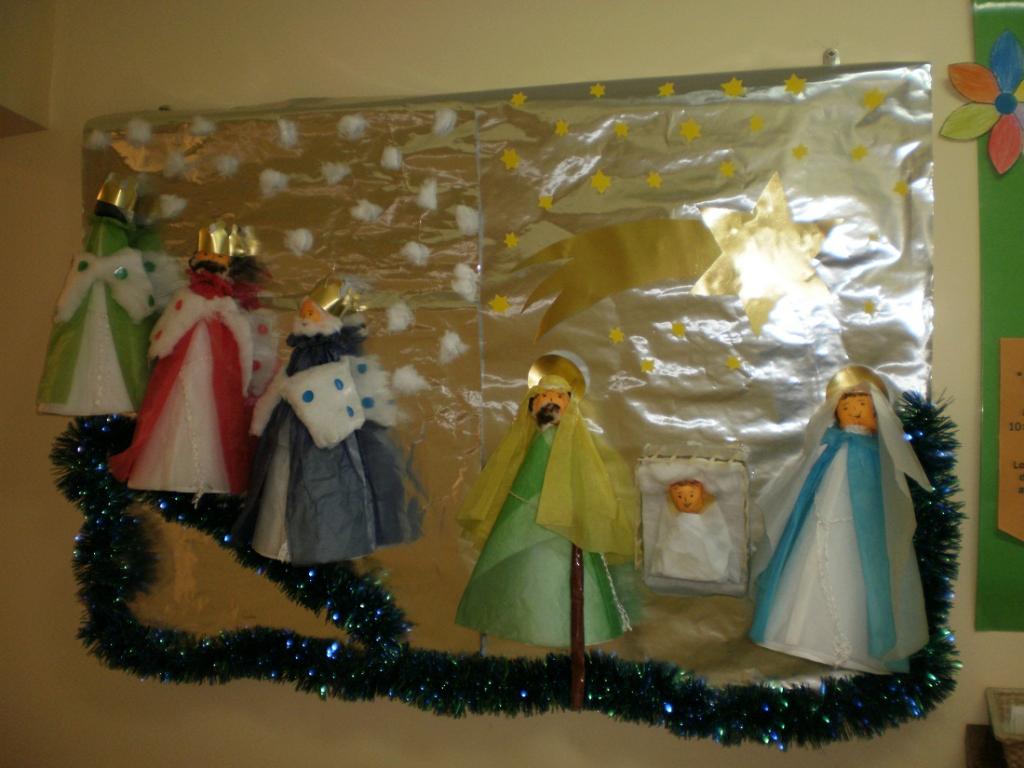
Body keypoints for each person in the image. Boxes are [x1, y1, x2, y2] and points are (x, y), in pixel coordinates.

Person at [749, 365, 933, 674]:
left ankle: (861, 643)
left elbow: (885, 492)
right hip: (824, 510)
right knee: (812, 549)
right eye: (847, 405)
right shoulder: (831, 446)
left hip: (862, 517)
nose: (854, 410)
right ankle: (795, 631)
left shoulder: (876, 454)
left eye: (862, 404)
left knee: (861, 559)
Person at [231, 276, 420, 564]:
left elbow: (345, 387)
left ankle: (327, 539)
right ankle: (280, 541)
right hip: (290, 431)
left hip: (328, 442)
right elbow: (279, 385)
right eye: (304, 312)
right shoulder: (298, 358)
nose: (306, 317)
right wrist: (262, 418)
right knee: (284, 480)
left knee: (325, 486)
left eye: (312, 313)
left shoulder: (335, 356)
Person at [455, 356, 638, 647]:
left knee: (565, 573)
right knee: (527, 571)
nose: (550, 402)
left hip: (567, 523)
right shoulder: (527, 444)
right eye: (544, 396)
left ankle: (564, 624)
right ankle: (526, 615)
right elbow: (509, 470)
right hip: (525, 514)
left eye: (558, 397)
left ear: (569, 404)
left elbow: (587, 477)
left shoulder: (575, 444)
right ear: (532, 404)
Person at [109, 221, 263, 494]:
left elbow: (241, 336)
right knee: (176, 403)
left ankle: (209, 473)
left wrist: (243, 369)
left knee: (212, 407)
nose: (209, 260)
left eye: (216, 256)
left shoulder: (225, 304)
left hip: (217, 365)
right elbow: (170, 324)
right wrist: (161, 346)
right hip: (182, 362)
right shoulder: (188, 297)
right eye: (206, 255)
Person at [38, 175, 161, 416]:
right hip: (89, 324)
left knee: (120, 359)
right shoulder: (86, 264)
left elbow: (138, 304)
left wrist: (110, 271)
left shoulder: (126, 262)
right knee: (84, 357)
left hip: (118, 327)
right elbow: (67, 307)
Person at [650, 479, 731, 583]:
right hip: (681, 528)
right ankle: (676, 568)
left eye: (691, 495)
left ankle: (682, 568)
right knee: (676, 547)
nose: (686, 500)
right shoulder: (674, 515)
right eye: (680, 497)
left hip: (695, 526)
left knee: (701, 548)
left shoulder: (702, 515)